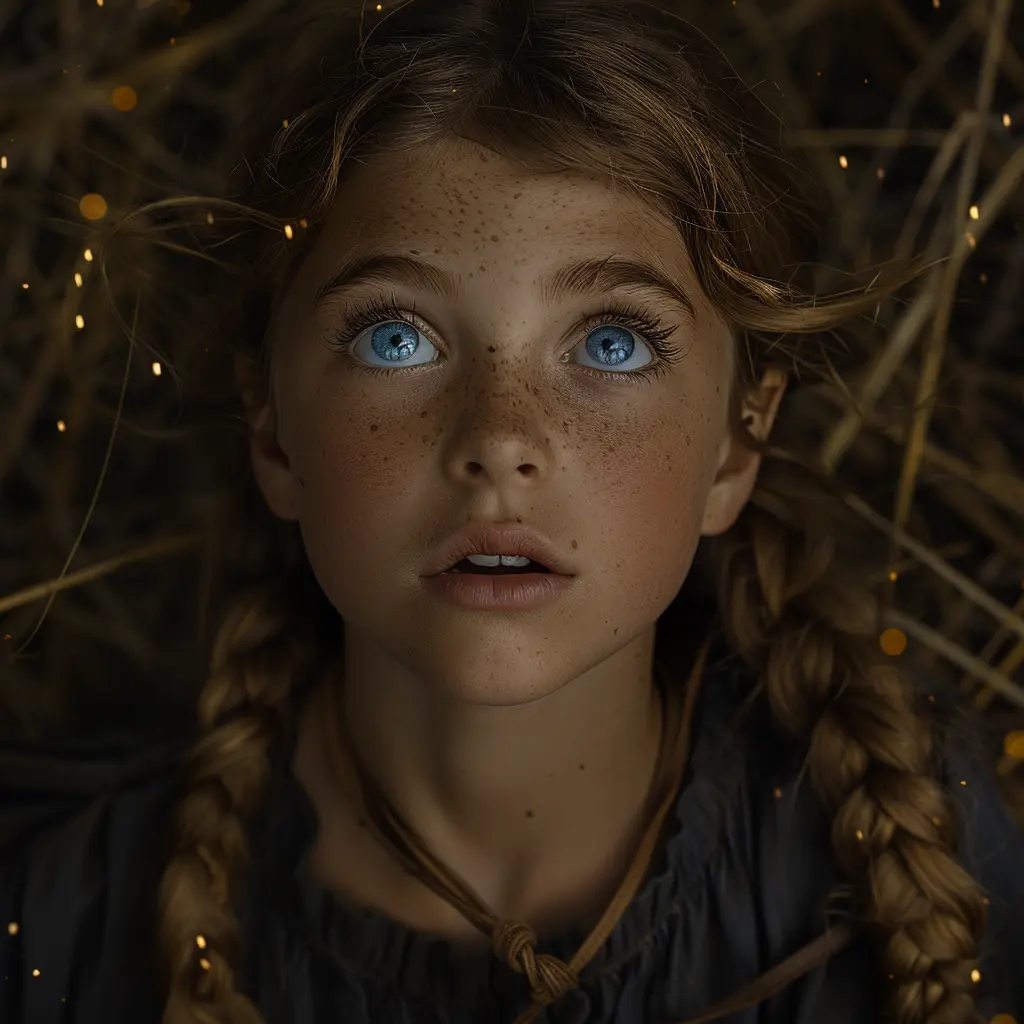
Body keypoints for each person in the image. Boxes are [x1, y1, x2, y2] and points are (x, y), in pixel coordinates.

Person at [2, 1, 1022, 1022]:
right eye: (394, 338)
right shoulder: (61, 916)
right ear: (272, 432)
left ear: (736, 443)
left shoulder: (921, 859)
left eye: (612, 342)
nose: (499, 437)